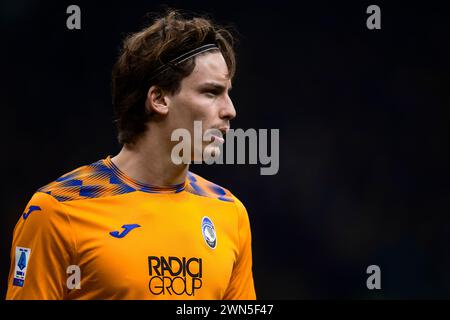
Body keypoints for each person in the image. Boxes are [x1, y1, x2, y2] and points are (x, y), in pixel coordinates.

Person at [6, 9, 256, 300]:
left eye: (227, 93)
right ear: (160, 99)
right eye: (211, 92)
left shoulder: (229, 212)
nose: (230, 110)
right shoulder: (58, 211)